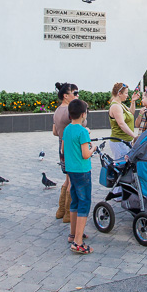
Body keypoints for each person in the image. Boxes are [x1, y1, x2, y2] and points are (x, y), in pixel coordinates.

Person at [63, 99, 96, 254]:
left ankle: (73, 233)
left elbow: (63, 150)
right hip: (82, 171)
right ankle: (78, 242)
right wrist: (93, 148)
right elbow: (85, 154)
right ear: (83, 114)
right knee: (84, 203)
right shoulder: (83, 132)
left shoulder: (67, 129)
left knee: (75, 201)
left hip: (71, 171)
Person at [53, 82, 83, 223]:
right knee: (71, 180)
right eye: (74, 93)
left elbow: (54, 131)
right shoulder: (70, 112)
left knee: (67, 178)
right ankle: (67, 214)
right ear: (66, 96)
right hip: (72, 147)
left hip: (61, 144)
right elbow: (80, 126)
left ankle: (60, 210)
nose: (77, 95)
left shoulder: (58, 110)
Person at [108, 83, 140, 161]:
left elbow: (131, 113)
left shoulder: (121, 105)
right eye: (126, 93)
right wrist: (135, 136)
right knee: (122, 165)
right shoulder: (116, 106)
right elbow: (121, 124)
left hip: (125, 141)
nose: (127, 95)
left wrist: (133, 101)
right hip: (119, 142)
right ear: (119, 93)